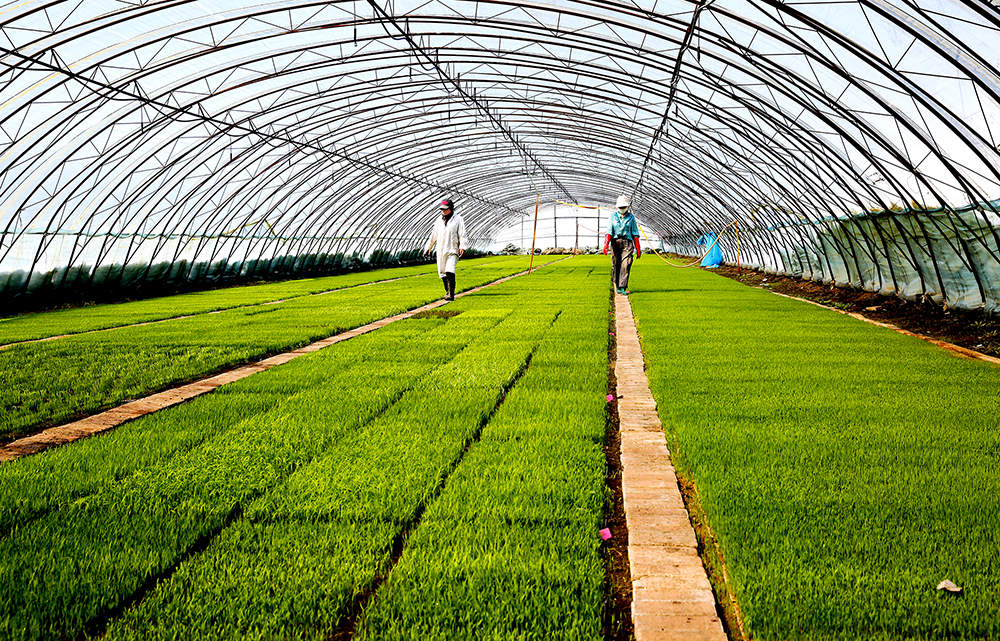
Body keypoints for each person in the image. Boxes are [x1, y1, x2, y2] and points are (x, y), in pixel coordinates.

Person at [423, 198, 467, 301]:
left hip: (452, 249)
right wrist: (427, 248)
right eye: (442, 209)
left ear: (451, 208)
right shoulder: (438, 220)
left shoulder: (458, 219)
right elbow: (433, 236)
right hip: (441, 250)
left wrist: (463, 247)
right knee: (442, 272)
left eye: (445, 209)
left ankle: (451, 294)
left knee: (450, 270)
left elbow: (462, 234)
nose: (443, 211)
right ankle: (447, 291)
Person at [603, 195, 642, 294]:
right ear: (617, 207)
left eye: (623, 207)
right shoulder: (613, 216)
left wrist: (638, 248)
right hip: (615, 242)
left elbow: (635, 233)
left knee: (626, 264)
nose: (622, 209)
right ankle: (617, 284)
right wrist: (606, 244)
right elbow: (609, 231)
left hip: (627, 243)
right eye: (620, 208)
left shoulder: (631, 217)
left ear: (627, 207)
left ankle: (623, 287)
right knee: (616, 264)